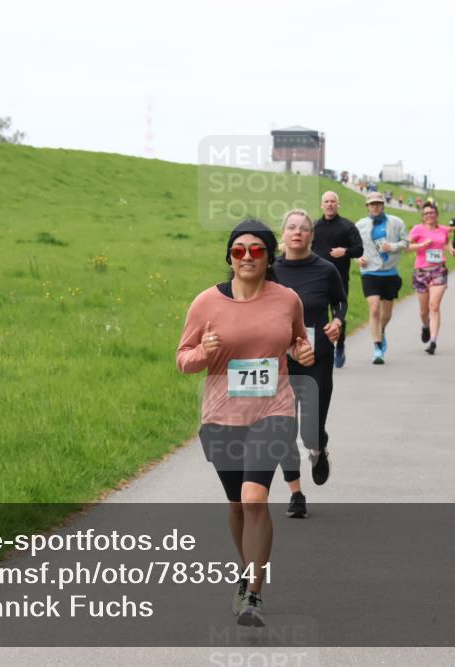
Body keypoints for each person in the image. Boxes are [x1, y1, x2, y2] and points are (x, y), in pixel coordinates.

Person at [176, 219, 314, 627]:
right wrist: (203, 351)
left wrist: (303, 352)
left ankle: (254, 592)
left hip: (273, 412)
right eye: (240, 250)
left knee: (255, 498)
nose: (248, 256)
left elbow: (297, 340)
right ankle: (248, 572)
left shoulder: (287, 299)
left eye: (257, 249)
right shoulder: (206, 303)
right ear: (230, 257)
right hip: (222, 417)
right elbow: (183, 360)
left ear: (270, 256)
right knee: (237, 503)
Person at [274, 210, 345, 517]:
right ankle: (296, 494)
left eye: (304, 229)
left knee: (310, 431)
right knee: (283, 429)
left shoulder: (326, 269)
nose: (298, 233)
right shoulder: (270, 271)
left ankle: (318, 449)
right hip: (279, 360)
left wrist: (339, 321)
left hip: (316, 357)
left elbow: (339, 300)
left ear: (312, 236)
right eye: (292, 228)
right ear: (283, 234)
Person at [355, 192, 409, 365]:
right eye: (372, 204)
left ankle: (382, 330)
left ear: (383, 205)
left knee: (387, 313)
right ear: (367, 206)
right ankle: (377, 347)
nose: (375, 206)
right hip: (369, 272)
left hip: (390, 273)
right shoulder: (361, 225)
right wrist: (358, 258)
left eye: (378, 203)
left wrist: (392, 246)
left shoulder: (396, 222)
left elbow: (405, 243)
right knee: (374, 309)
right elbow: (354, 247)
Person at [311, 191, 363, 368]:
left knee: (337, 317)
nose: (329, 204)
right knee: (317, 317)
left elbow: (360, 250)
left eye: (333, 201)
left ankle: (339, 345)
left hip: (339, 281)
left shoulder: (347, 226)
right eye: (326, 201)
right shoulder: (314, 227)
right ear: (321, 205)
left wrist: (345, 252)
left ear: (337, 204)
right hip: (317, 281)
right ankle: (322, 351)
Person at [408, 203, 455, 354]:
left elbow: (446, 241)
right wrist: (422, 244)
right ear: (423, 216)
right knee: (424, 311)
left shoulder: (442, 229)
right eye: (426, 213)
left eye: (432, 213)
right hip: (421, 271)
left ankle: (433, 341)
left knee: (434, 306)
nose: (429, 215)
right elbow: (406, 246)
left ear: (437, 215)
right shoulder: (417, 229)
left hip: (438, 270)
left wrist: (450, 249)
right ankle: (425, 326)